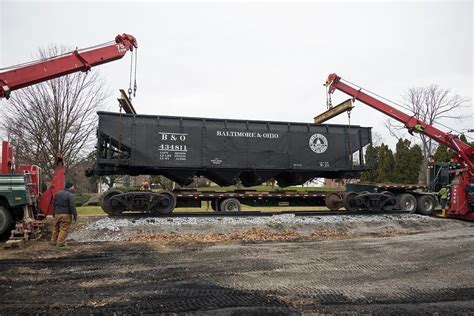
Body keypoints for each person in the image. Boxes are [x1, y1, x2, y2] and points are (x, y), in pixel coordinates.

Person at [50, 181, 77, 247]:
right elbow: (72, 206)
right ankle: (60, 243)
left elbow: (53, 204)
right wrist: (75, 215)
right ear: (70, 187)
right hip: (66, 214)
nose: (74, 188)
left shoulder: (57, 194)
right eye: (73, 187)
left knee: (56, 228)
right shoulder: (70, 195)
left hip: (57, 214)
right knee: (64, 229)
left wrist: (53, 213)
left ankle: (53, 241)